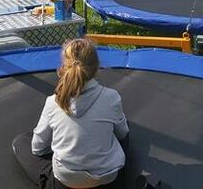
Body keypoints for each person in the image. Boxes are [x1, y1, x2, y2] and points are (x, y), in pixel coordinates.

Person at [29, 38, 129, 188]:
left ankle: (49, 180)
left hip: (67, 180)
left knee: (20, 142)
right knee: (124, 134)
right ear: (96, 68)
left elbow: (37, 148)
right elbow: (123, 134)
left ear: (64, 67)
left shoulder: (53, 102)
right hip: (107, 178)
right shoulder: (111, 97)